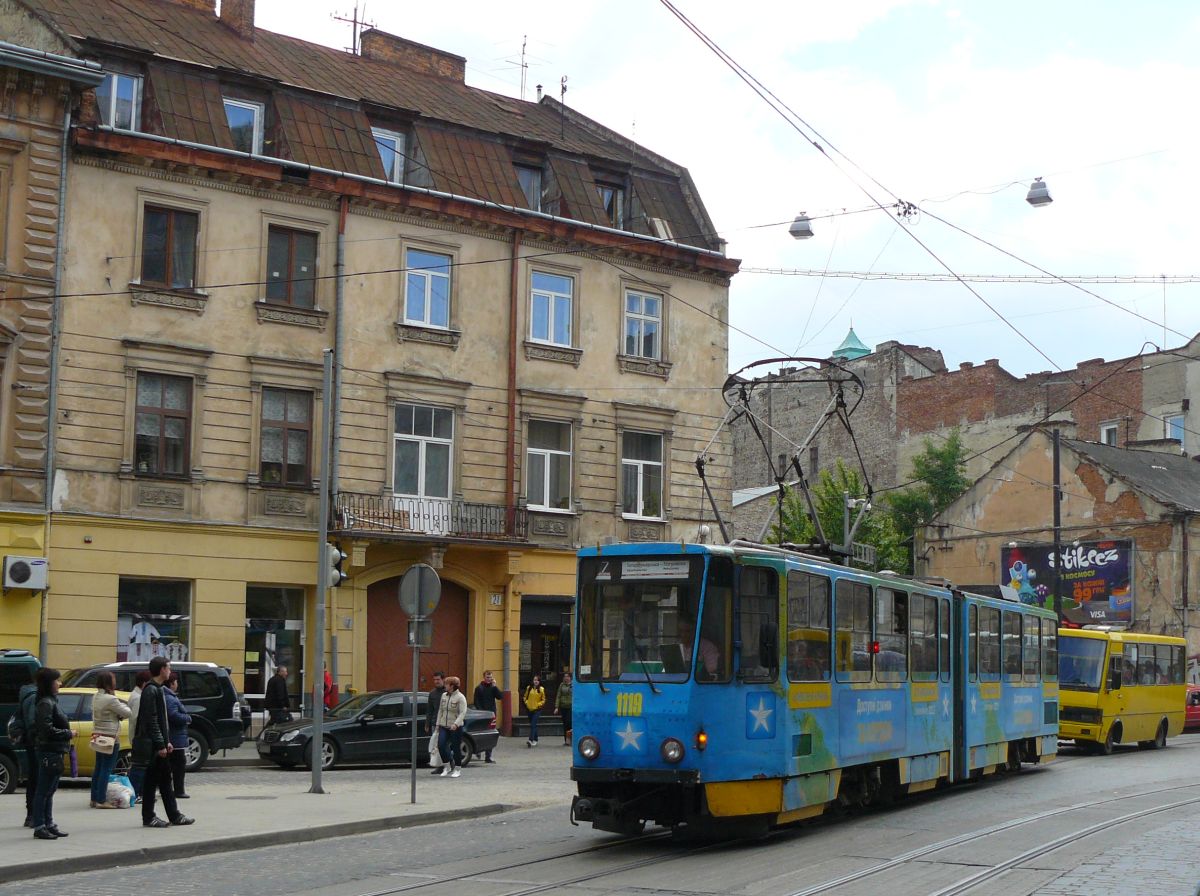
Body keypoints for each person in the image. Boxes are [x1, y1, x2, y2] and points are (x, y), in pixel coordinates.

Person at [137, 657, 192, 828]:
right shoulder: (151, 690)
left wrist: (166, 741)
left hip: (159, 744)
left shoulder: (158, 689)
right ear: (161, 669)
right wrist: (160, 744)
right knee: (152, 783)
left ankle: (173, 815)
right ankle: (150, 817)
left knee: (164, 781)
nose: (170, 670)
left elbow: (161, 720)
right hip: (154, 746)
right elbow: (151, 720)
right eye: (168, 667)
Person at [31, 667, 72, 839]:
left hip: (55, 750)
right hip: (49, 751)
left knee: (50, 789)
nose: (60, 683)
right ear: (49, 684)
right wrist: (68, 733)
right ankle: (40, 825)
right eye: (57, 680)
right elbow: (46, 729)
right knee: (43, 790)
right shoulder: (45, 703)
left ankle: (49, 823)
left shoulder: (51, 701)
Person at [90, 671, 131, 808]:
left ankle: (94, 798)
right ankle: (102, 800)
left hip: (97, 735)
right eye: (113, 680)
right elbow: (127, 712)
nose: (115, 682)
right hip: (110, 737)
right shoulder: (110, 699)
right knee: (106, 769)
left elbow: (109, 714)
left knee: (99, 768)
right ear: (109, 683)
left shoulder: (96, 696)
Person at [164, 672, 192, 799]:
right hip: (175, 737)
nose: (177, 684)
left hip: (174, 736)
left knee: (170, 765)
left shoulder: (168, 696)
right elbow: (173, 715)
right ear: (172, 684)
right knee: (179, 765)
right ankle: (179, 790)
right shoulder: (170, 698)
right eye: (176, 682)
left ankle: (169, 788)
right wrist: (186, 718)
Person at [126, 669, 152, 798]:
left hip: (138, 736)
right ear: (144, 683)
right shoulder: (138, 697)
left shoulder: (137, 695)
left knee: (140, 766)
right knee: (139, 767)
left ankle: (140, 792)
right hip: (139, 737)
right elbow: (136, 719)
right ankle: (135, 793)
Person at [435, 676, 468, 778]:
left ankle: (457, 769)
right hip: (443, 725)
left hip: (455, 727)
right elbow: (441, 710)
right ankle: (447, 766)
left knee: (455, 747)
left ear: (452, 686)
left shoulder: (460, 697)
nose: (444, 686)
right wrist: (437, 723)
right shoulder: (444, 696)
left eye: (446, 684)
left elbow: (463, 712)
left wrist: (456, 724)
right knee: (441, 745)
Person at [17, 672, 38, 828]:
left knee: (34, 778)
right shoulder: (33, 697)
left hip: (33, 743)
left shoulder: (28, 694)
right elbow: (33, 723)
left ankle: (33, 814)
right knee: (36, 780)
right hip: (36, 744)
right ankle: (32, 815)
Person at [472, 671, 502, 763]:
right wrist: (482, 712)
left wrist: (495, 686)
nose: (489, 679)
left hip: (492, 714)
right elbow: (476, 702)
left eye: (490, 677)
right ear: (484, 677)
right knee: (481, 734)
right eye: (487, 677)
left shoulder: (493, 688)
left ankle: (488, 756)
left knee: (490, 734)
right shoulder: (479, 688)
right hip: (482, 714)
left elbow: (500, 697)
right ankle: (478, 751)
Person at [426, 672, 446, 774]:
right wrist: (427, 724)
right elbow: (429, 710)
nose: (436, 682)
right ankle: (439, 767)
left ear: (443, 679)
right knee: (436, 746)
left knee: (444, 745)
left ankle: (449, 765)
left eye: (438, 679)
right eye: (434, 680)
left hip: (446, 723)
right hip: (435, 723)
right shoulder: (432, 693)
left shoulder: (448, 692)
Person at [523, 675, 546, 747]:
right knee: (533, 725)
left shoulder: (541, 689)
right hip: (530, 709)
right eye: (534, 680)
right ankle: (536, 739)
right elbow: (525, 697)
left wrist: (538, 704)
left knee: (533, 724)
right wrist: (526, 703)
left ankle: (530, 740)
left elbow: (543, 699)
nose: (535, 681)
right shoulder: (529, 688)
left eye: (537, 680)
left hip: (537, 710)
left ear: (539, 682)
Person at [554, 671, 573, 747]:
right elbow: (558, 696)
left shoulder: (573, 685)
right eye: (564, 676)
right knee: (565, 724)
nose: (566, 678)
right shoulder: (561, 685)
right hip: (563, 706)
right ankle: (566, 741)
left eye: (567, 676)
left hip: (570, 706)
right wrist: (556, 707)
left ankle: (571, 740)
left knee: (569, 723)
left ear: (570, 677)